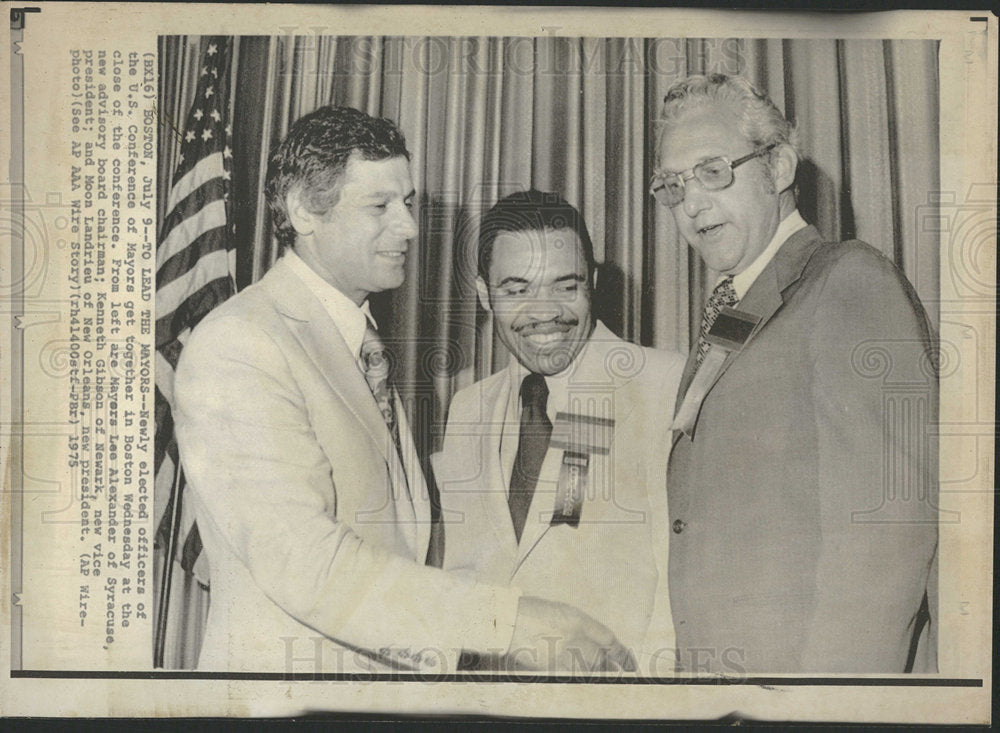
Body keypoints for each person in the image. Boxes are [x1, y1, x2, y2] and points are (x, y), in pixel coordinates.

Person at [173, 107, 634, 673]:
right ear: (303, 211)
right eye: (379, 207)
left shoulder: (358, 342)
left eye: (408, 203)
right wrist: (506, 622)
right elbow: (305, 563)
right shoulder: (242, 342)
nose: (410, 228)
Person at [652, 74, 938, 673]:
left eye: (711, 171)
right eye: (673, 186)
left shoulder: (847, 282)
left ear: (779, 167)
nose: (691, 204)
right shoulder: (735, 311)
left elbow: (884, 538)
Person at [432, 190, 686, 673]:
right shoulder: (468, 409)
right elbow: (463, 572)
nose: (544, 311)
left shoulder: (665, 386)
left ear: (592, 282)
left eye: (564, 286)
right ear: (485, 294)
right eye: (517, 289)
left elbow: (680, 588)